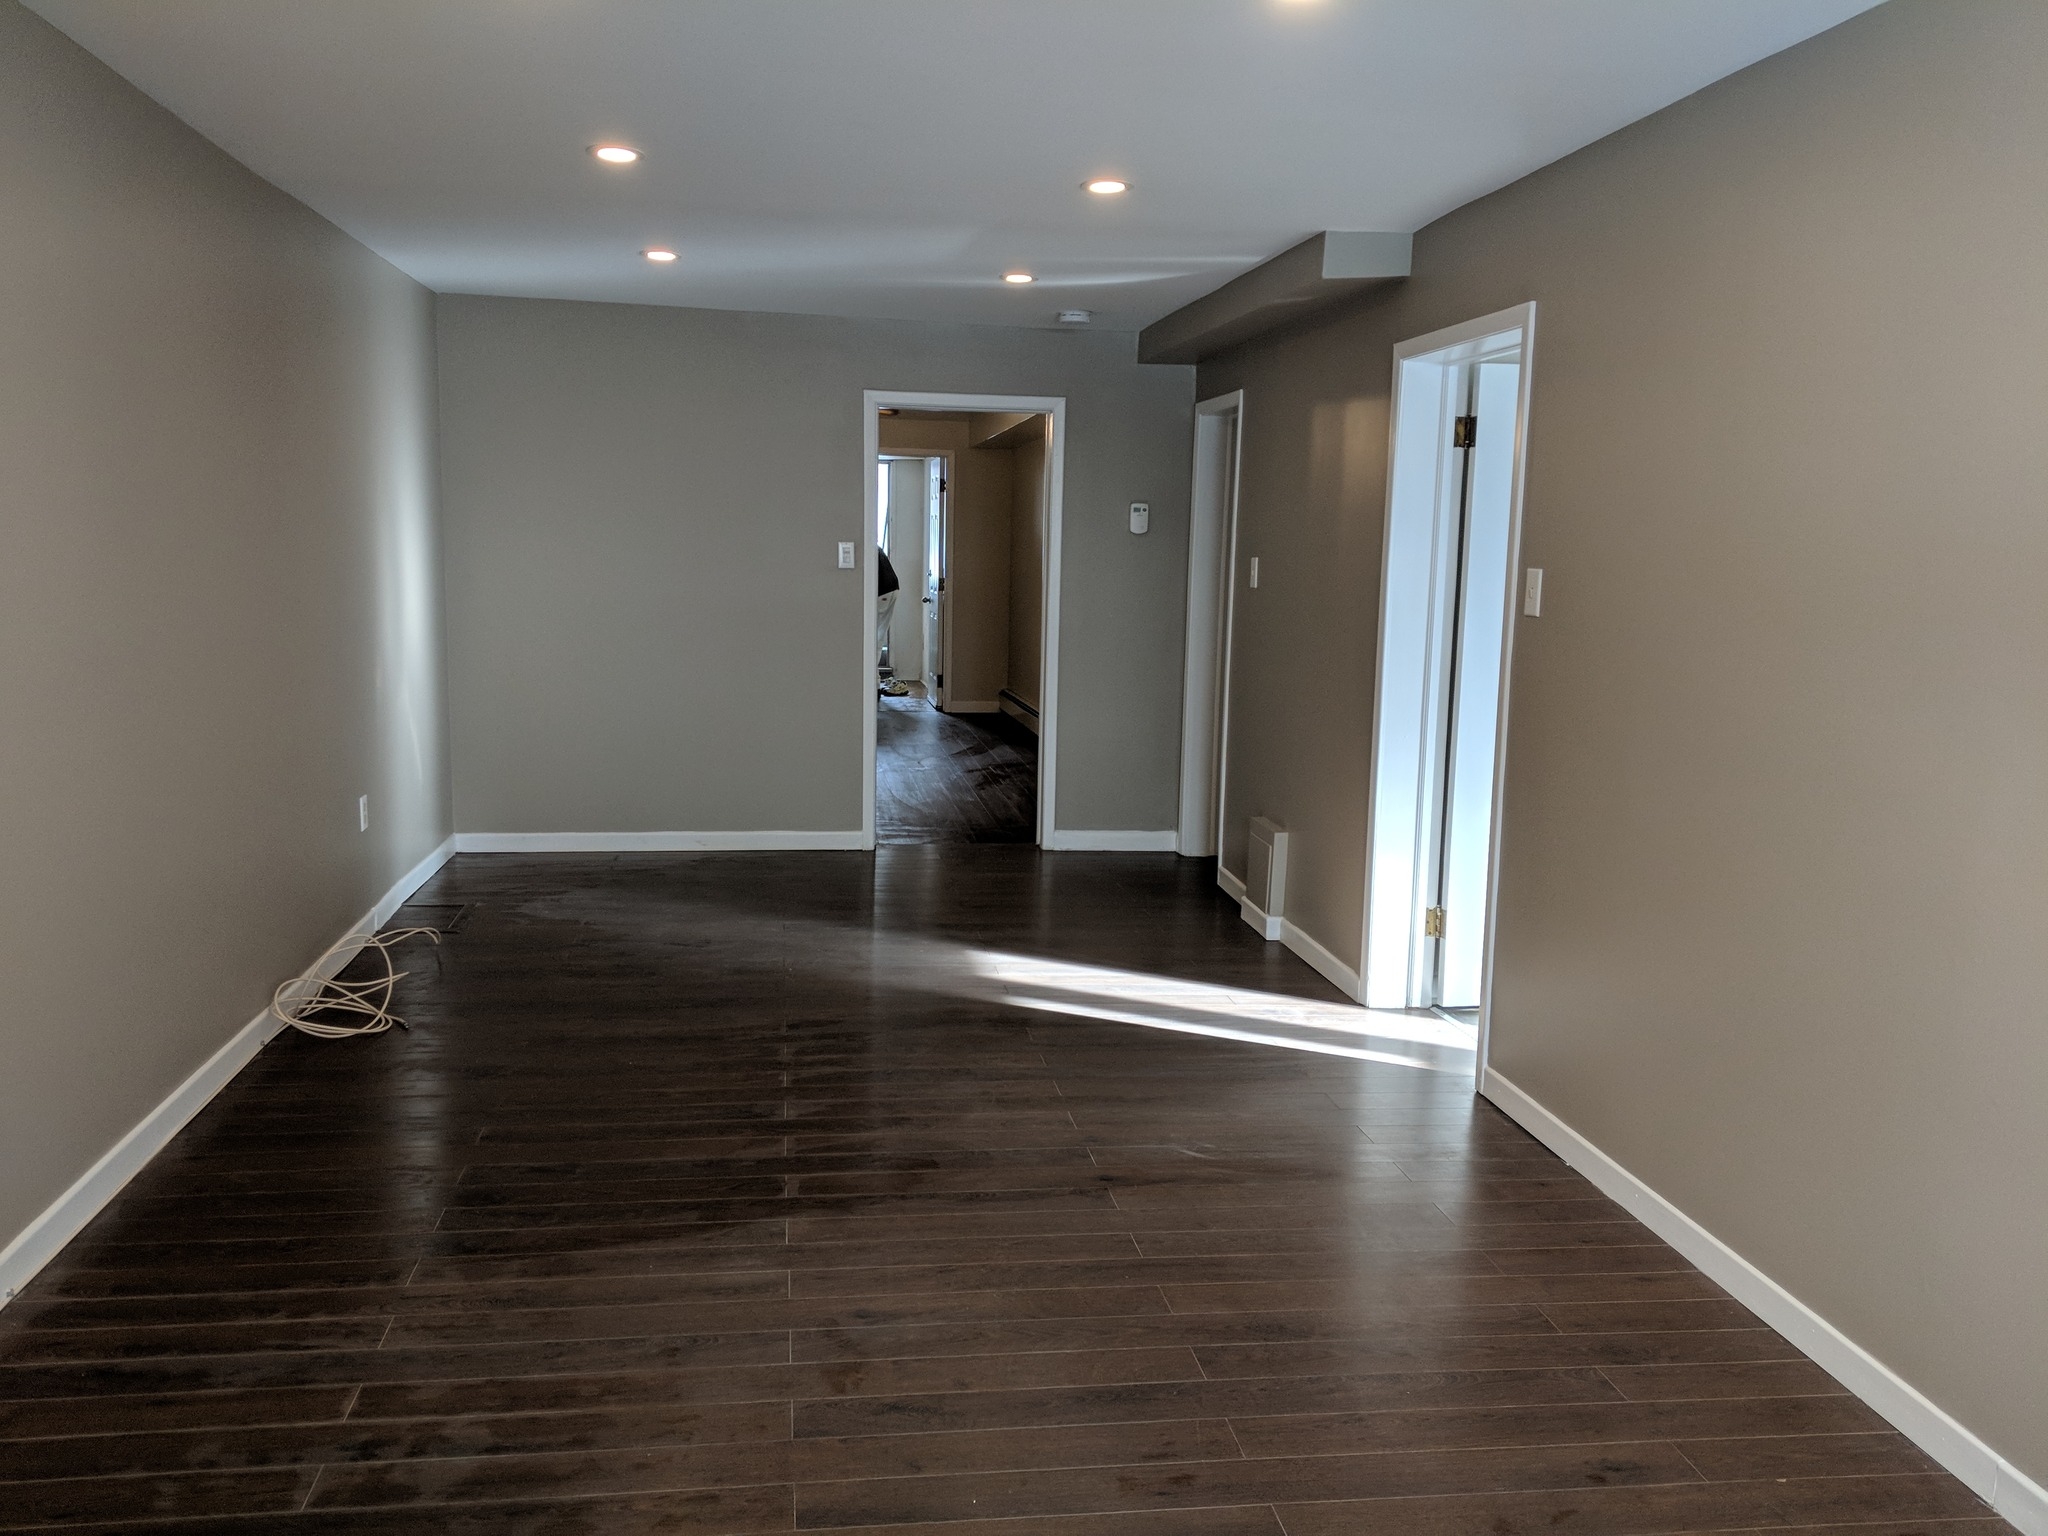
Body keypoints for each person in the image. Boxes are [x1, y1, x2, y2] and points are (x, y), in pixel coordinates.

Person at [877, 548, 911, 696]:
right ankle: (874, 683)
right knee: (877, 637)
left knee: (874, 639)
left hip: (883, 590)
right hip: (889, 588)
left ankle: (874, 684)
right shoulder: (874, 547)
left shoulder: (867, 547)